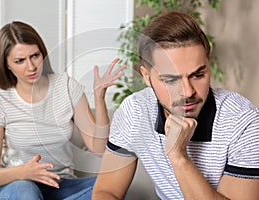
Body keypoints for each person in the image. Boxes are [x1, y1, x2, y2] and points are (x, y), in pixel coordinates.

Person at [92, 11, 259, 200]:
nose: (188, 92)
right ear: (146, 76)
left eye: (197, 75)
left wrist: (178, 155)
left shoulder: (244, 122)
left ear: (208, 65)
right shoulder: (135, 110)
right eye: (170, 80)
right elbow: (106, 191)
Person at [0, 21, 125, 200]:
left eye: (35, 56)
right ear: (7, 64)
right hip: (17, 186)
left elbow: (99, 147)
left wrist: (99, 98)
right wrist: (24, 172)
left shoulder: (66, 86)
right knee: (26, 190)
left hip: (60, 185)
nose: (31, 67)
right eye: (20, 61)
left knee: (111, 186)